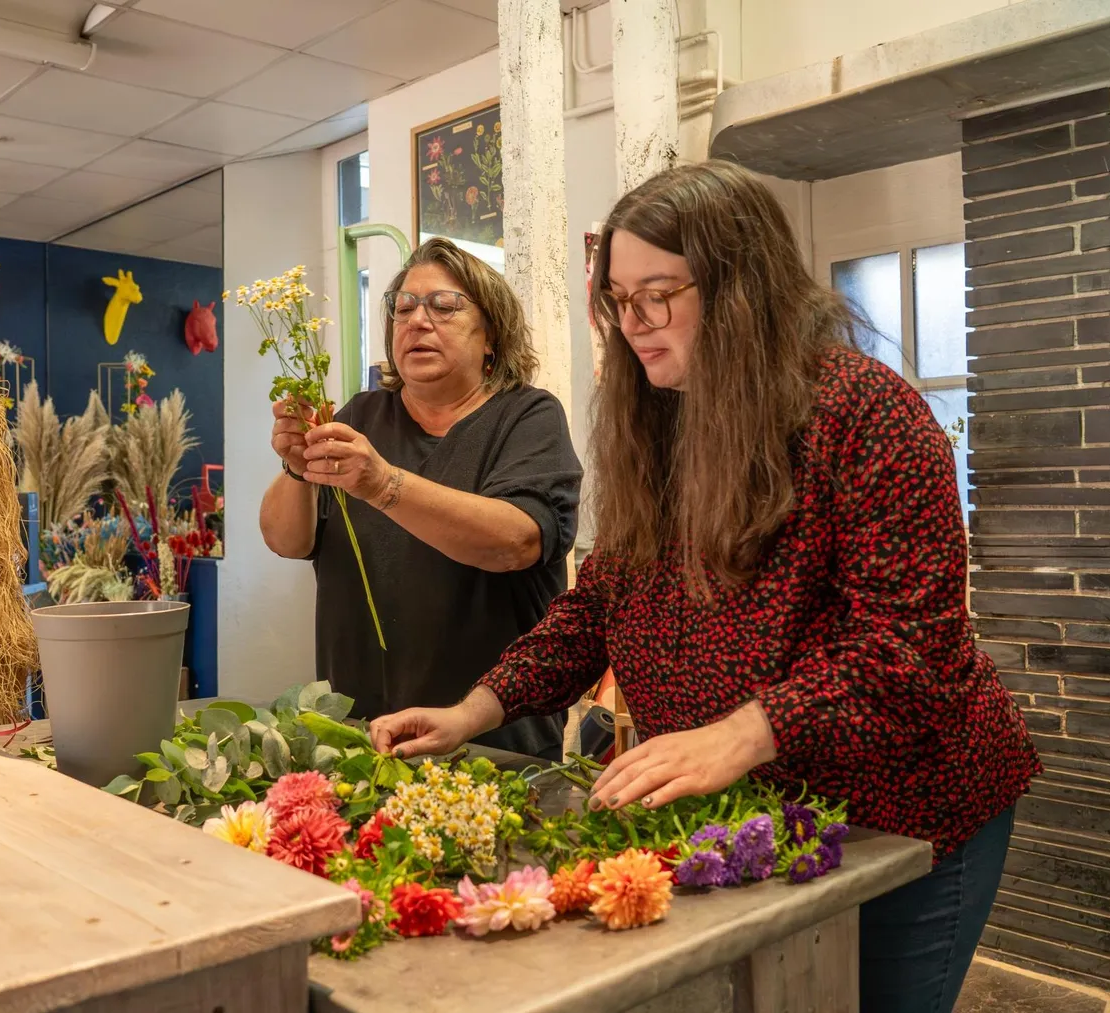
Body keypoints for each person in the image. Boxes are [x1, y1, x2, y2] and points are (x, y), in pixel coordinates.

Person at [369, 162, 1040, 1013]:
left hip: (908, 813)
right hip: (768, 811)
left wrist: (745, 730)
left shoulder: (871, 414)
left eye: (659, 294)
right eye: (618, 298)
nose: (634, 323)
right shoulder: (664, 420)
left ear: (740, 289)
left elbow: (910, 651)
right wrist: (477, 708)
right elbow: (600, 604)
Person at [260, 237, 581, 760]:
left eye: (445, 306)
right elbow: (286, 541)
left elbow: (515, 542)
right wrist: (297, 471)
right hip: (357, 733)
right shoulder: (361, 416)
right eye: (403, 307)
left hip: (490, 742)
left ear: (491, 335)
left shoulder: (527, 418)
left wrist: (383, 485)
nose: (416, 320)